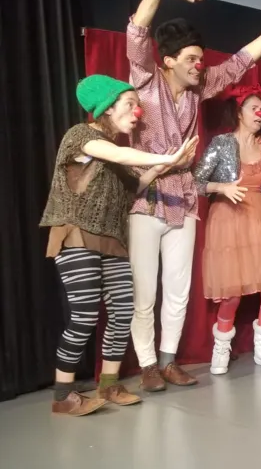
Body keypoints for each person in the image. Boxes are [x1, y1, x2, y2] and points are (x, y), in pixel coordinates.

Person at [126, 0, 261, 391]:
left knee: (178, 290)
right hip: (146, 198)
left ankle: (169, 361)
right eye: (190, 59)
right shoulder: (145, 79)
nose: (198, 65)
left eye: (200, 59)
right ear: (168, 61)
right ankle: (148, 365)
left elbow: (238, 63)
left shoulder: (198, 89)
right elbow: (138, 31)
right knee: (145, 293)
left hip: (183, 201)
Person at [40, 75, 197, 415]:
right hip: (77, 234)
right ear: (107, 108)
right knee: (84, 314)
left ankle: (109, 385)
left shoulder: (115, 155)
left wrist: (167, 163)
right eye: (130, 104)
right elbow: (118, 154)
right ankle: (62, 395)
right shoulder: (80, 136)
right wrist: (166, 158)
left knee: (123, 310)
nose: (137, 112)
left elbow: (136, 184)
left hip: (112, 240)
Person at [194, 84, 261, 373]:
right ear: (239, 112)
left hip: (258, 219)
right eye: (253, 108)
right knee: (231, 292)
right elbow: (195, 183)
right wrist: (221, 187)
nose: (260, 113)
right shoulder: (221, 143)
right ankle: (221, 348)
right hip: (227, 220)